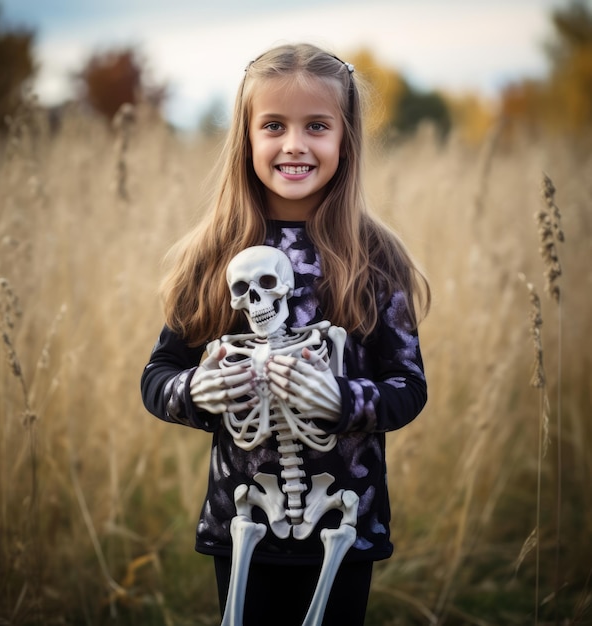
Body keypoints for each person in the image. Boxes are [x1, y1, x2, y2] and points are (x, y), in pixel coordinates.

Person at [141, 43, 430, 626]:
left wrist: (345, 400)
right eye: (273, 125)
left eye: (316, 126)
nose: (294, 144)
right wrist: (198, 390)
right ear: (246, 138)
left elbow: (408, 386)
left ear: (345, 139)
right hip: (241, 522)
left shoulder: (375, 258)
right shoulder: (214, 256)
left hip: (345, 523)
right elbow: (157, 378)